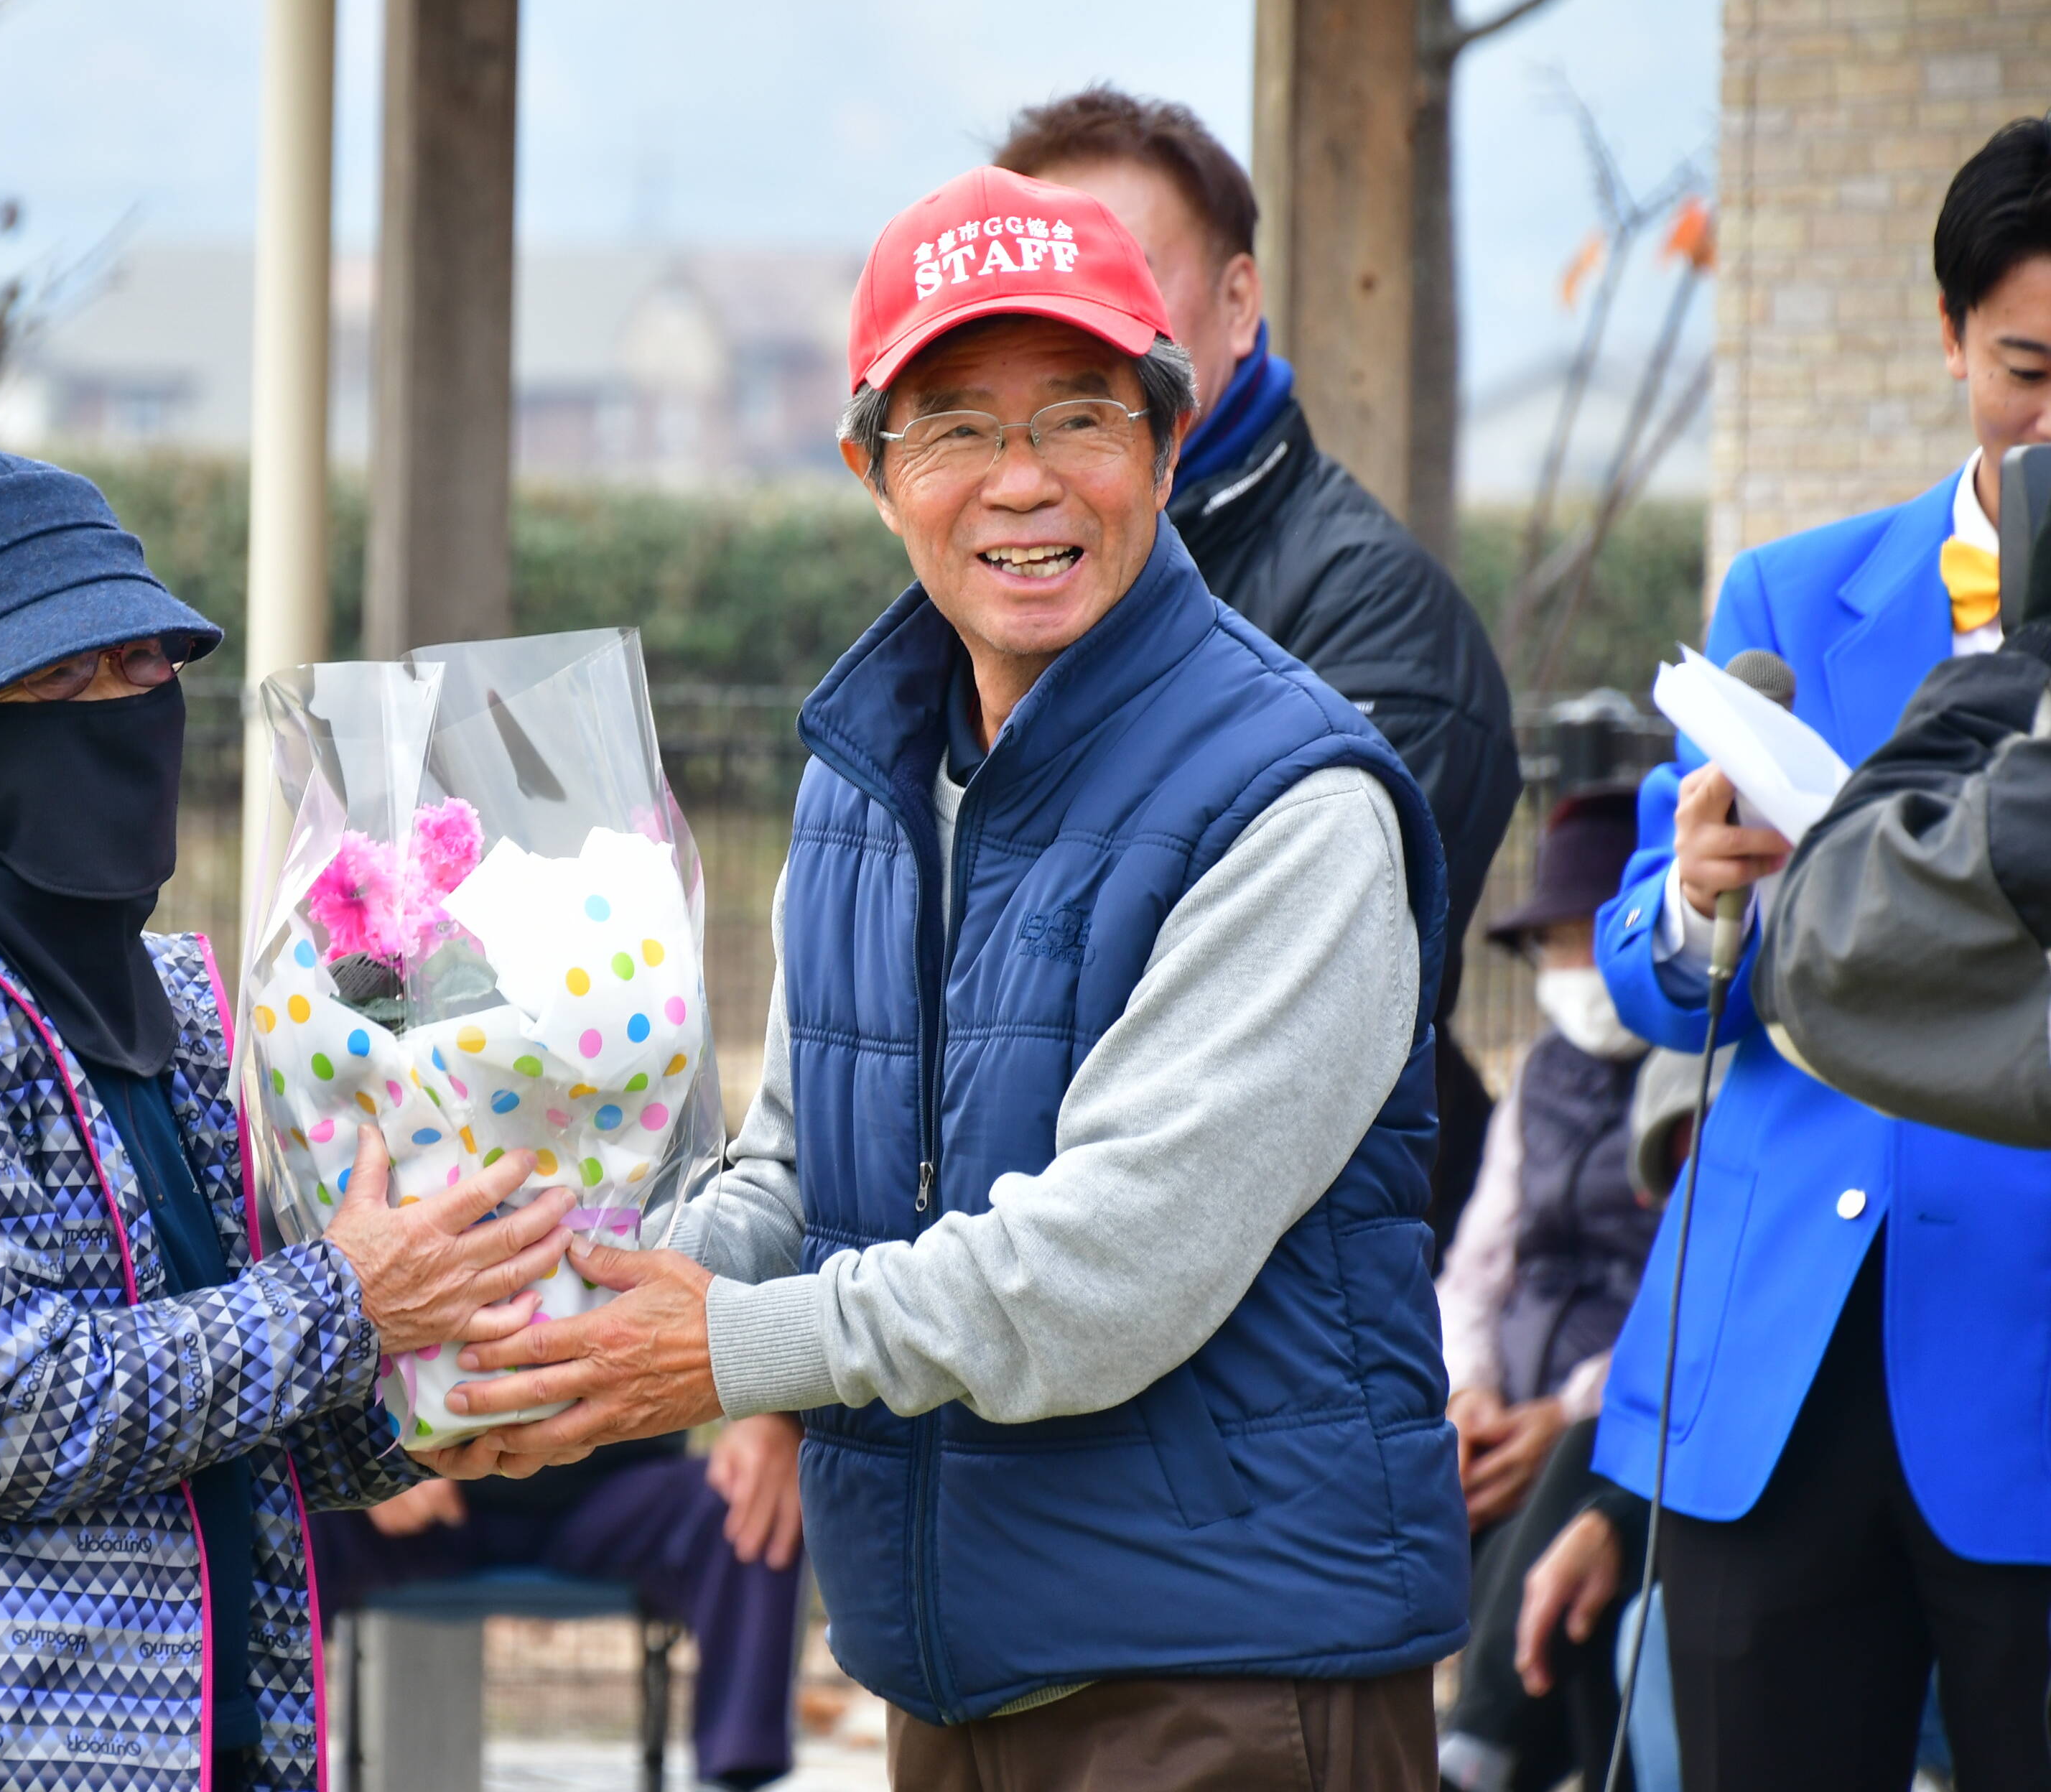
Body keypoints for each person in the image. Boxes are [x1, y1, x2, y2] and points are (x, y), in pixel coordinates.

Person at [412, 167, 1469, 1789]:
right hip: (954, 1673)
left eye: (1077, 417)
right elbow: (791, 1168)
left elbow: (1110, 1265)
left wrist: (718, 1351)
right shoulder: (866, 775)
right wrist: (540, 1319)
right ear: (870, 466)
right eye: (956, 427)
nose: (1021, 482)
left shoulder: (1292, 801)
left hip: (1228, 1682)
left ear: (1167, 443)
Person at [0, 446, 579, 1792]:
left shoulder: (183, 1005)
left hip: (201, 1749)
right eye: (57, 678)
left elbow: (229, 1392)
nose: (121, 706)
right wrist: (355, 1304)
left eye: (144, 665)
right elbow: (6, 1405)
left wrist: (432, 1403)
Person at [1566, 119, 2051, 1792]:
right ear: (1944, 337)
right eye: (2022, 369)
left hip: (2031, 1350)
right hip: (1776, 1358)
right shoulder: (1801, 589)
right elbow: (1643, 971)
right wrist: (1695, 897)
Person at [994, 88, 1522, 1255]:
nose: (1082, 332)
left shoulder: (1376, 627)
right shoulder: (1000, 582)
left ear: (1239, 302)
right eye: (1035, 298)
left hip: (1258, 1332)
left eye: (1125, 279)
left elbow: (1253, 1050)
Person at [1431, 789, 1662, 1792]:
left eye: (1593, 935)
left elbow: (1689, 1293)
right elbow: (1479, 1266)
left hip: (1617, 1420)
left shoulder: (1698, 1075)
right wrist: (1473, 1397)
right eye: (1556, 942)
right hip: (1510, 1411)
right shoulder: (1537, 1076)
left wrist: (1557, 1414)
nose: (1576, 968)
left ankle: (1474, 1750)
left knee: (1573, 1467)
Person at [310, 1415, 810, 1790]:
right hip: (419, 1486)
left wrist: (773, 1412)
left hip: (614, 1489)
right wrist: (356, 1445)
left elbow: (764, 1278)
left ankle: (739, 1777)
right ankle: (257, 1761)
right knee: (285, 1509)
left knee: (753, 1500)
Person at [1756, 623, 2051, 1148]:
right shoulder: (1781, 587)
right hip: (1839, 1171)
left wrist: (2030, 652)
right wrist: (1694, 911)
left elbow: (1829, 947)